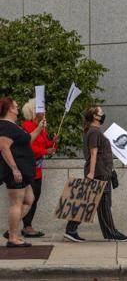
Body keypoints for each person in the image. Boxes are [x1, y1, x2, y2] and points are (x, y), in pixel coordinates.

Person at [64, 106, 127, 242]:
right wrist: (92, 173)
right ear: (95, 116)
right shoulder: (94, 132)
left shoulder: (93, 131)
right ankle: (111, 233)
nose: (103, 114)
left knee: (89, 201)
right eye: (101, 112)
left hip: (100, 171)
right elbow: (93, 154)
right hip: (99, 173)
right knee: (103, 203)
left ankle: (71, 230)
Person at [0, 97, 45, 247]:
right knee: (16, 203)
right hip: (15, 172)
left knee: (29, 200)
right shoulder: (5, 126)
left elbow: (28, 140)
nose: (18, 108)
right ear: (10, 109)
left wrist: (39, 128)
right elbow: (4, 147)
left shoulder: (15, 126)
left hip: (23, 171)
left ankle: (11, 231)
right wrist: (14, 168)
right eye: (16, 106)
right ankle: (13, 237)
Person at [21, 98, 59, 238]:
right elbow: (28, 146)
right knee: (29, 199)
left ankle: (27, 226)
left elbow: (45, 145)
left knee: (35, 199)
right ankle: (26, 226)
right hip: (28, 169)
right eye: (41, 110)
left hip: (37, 170)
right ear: (34, 112)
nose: (44, 112)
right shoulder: (27, 126)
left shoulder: (42, 128)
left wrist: (53, 143)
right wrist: (45, 151)